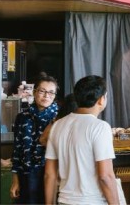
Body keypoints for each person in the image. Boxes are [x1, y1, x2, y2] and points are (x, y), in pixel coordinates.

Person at [44, 75, 119, 204]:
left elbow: (49, 175)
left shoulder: (57, 125)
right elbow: (105, 176)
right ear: (101, 100)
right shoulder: (100, 127)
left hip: (64, 201)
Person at [10, 76, 59, 204]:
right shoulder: (22, 117)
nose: (46, 95)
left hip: (50, 174)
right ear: (35, 92)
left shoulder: (59, 118)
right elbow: (17, 149)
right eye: (42, 91)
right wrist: (15, 180)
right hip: (25, 174)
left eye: (51, 92)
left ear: (54, 95)